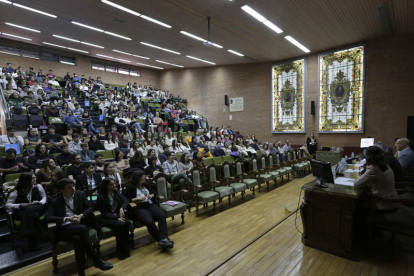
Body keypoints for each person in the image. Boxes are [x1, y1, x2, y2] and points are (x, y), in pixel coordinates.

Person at [45, 178, 113, 275]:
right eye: (69, 187)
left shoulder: (80, 195)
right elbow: (47, 217)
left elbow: (91, 207)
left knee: (78, 239)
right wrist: (67, 219)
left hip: (79, 226)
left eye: (73, 186)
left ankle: (81, 272)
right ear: (62, 190)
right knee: (82, 229)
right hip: (64, 229)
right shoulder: (55, 201)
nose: (73, 189)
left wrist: (81, 216)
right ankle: (95, 259)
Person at [122, 172, 174, 248]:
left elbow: (153, 192)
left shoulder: (145, 184)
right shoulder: (130, 187)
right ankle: (161, 239)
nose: (145, 178)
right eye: (143, 176)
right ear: (138, 178)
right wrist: (138, 199)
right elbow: (125, 199)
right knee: (149, 221)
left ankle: (164, 238)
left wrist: (151, 195)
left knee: (161, 215)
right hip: (139, 207)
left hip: (149, 204)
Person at [6, 172, 46, 251]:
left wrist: (40, 202)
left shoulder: (38, 186)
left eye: (35, 177)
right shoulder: (16, 191)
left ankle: (25, 236)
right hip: (23, 210)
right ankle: (35, 241)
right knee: (35, 215)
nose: (35, 179)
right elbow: (7, 205)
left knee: (30, 209)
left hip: (37, 207)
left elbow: (44, 197)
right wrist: (20, 205)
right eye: (33, 178)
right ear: (26, 180)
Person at [355, 146, 400, 211]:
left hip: (384, 202)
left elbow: (357, 184)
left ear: (368, 157)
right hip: (392, 199)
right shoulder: (385, 165)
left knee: (358, 203)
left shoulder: (374, 168)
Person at [96, 178, 131, 260]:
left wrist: (122, 208)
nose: (114, 185)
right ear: (106, 187)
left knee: (126, 223)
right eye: (111, 184)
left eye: (114, 184)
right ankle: (120, 250)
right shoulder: (101, 198)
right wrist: (117, 218)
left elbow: (125, 200)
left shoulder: (115, 193)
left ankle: (125, 248)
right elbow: (105, 213)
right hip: (106, 219)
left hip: (116, 216)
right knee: (120, 225)